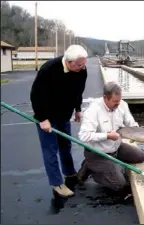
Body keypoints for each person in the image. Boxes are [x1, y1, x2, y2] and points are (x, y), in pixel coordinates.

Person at [30, 45, 88, 198]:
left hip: (64, 114)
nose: (83, 68)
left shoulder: (81, 71)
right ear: (69, 62)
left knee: (65, 145)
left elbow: (78, 91)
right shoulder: (49, 69)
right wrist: (42, 119)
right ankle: (57, 183)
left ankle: (69, 173)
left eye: (84, 64)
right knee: (50, 149)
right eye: (79, 65)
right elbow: (36, 95)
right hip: (47, 116)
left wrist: (78, 109)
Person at [77, 82, 144, 198]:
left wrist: (142, 136)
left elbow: (131, 124)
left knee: (140, 157)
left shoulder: (122, 105)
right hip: (97, 153)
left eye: (119, 100)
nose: (118, 104)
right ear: (105, 98)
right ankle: (91, 167)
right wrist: (107, 135)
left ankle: (109, 164)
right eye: (115, 102)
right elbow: (83, 136)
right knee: (119, 184)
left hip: (116, 147)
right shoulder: (93, 110)